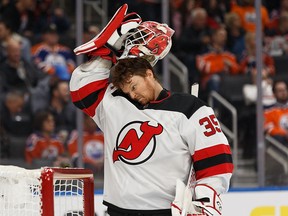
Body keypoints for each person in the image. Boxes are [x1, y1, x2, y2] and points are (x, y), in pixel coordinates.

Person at [70, 4, 233, 216]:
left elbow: (216, 160)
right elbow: (80, 88)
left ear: (149, 74)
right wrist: (110, 49)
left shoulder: (190, 108)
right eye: (127, 91)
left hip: (165, 212)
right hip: (118, 212)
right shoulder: (114, 104)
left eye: (134, 86)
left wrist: (204, 200)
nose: (132, 95)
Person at [264, 80, 288, 146]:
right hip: (282, 141)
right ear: (274, 94)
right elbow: (269, 129)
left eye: (285, 89)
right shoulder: (269, 111)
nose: (283, 92)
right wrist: (285, 133)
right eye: (280, 91)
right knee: (278, 137)